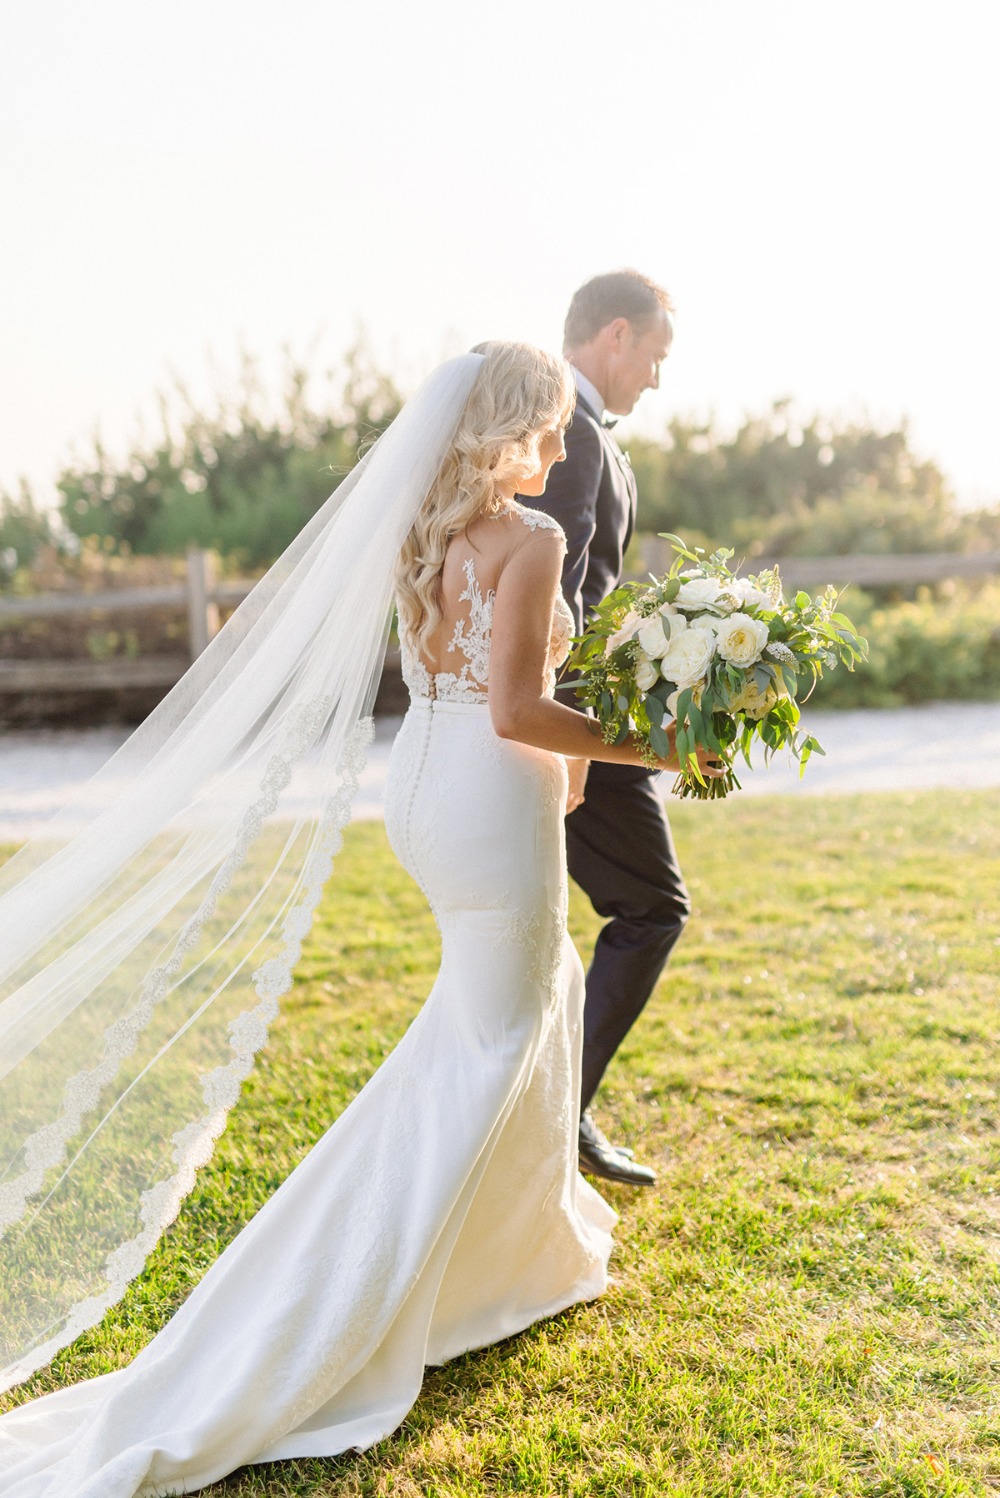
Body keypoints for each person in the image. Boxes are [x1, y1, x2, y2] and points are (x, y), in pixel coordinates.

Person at [0, 344, 720, 1496]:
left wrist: (572, 772)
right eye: (543, 430)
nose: (556, 450)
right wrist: (663, 746)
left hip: (429, 790)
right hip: (489, 794)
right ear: (506, 430)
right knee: (490, 1039)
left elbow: (467, 691)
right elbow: (523, 706)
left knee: (515, 1012)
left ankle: (506, 1258)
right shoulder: (528, 541)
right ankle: (362, 1289)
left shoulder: (418, 532)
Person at [526, 271, 690, 1188]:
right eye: (655, 357)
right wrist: (580, 739)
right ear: (616, 335)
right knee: (651, 906)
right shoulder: (574, 437)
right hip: (572, 721)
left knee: (551, 921)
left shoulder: (582, 434)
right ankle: (560, 1116)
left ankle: (552, 1112)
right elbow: (557, 601)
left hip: (576, 711)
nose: (656, 380)